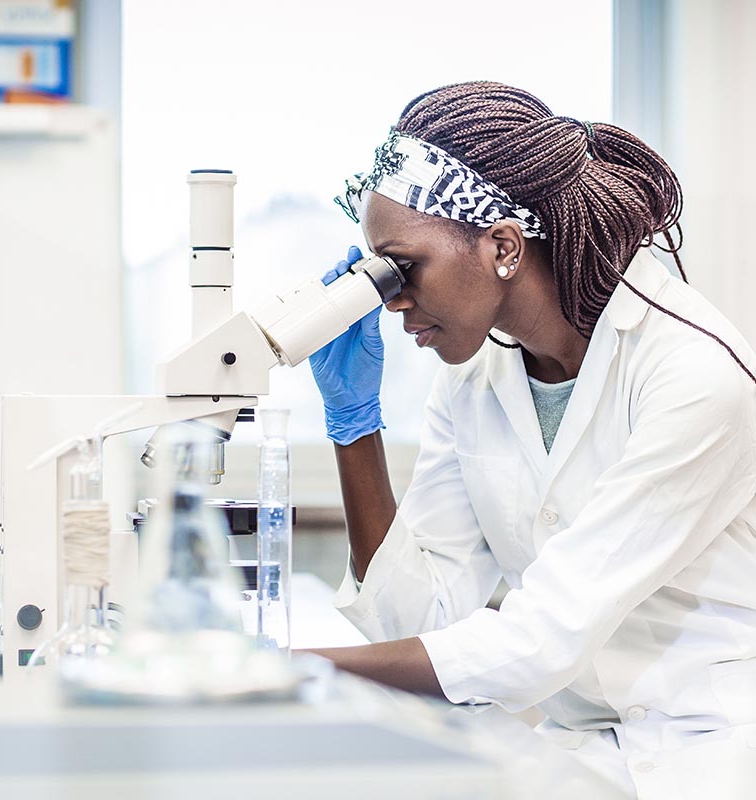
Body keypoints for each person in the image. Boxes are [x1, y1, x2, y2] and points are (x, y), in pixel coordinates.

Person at [307, 82, 756, 798]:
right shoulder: (477, 373)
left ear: (504, 247)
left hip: (711, 751)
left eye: (404, 266)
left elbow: (540, 641)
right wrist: (355, 431)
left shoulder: (694, 374)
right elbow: (423, 619)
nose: (391, 300)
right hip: (581, 749)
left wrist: (285, 670)